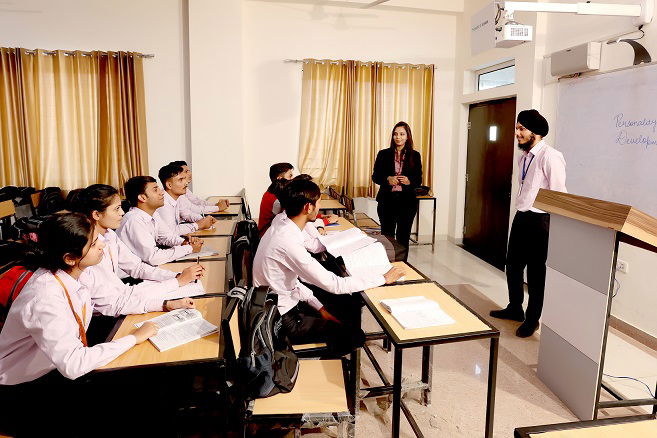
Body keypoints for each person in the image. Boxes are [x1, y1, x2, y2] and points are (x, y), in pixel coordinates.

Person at [0, 213, 195, 435]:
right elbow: (73, 365)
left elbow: (115, 301)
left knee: (144, 383)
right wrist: (133, 338)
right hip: (22, 391)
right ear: (70, 257)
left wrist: (163, 304)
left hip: (55, 367)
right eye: (94, 243)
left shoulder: (75, 274)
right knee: (135, 402)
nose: (102, 244)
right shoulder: (45, 297)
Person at [253, 178, 404, 356]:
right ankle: (326, 369)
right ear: (308, 207)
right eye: (318, 203)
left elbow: (292, 282)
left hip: (278, 302)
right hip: (282, 318)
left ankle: (335, 335)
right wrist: (383, 278)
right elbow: (335, 285)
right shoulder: (288, 241)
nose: (319, 207)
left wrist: (320, 308)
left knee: (349, 302)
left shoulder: (283, 223)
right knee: (355, 337)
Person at [69, 184, 205, 343]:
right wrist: (175, 284)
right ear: (96, 214)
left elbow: (137, 267)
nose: (122, 213)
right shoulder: (88, 253)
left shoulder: (110, 236)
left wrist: (176, 277)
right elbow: (116, 303)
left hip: (120, 301)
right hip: (103, 321)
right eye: (117, 209)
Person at [490, 109, 567, 338]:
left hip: (540, 220)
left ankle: (532, 319)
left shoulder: (550, 156)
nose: (517, 133)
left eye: (521, 129)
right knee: (512, 266)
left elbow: (559, 194)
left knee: (535, 273)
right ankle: (515, 308)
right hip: (522, 216)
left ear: (536, 132)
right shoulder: (524, 156)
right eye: (517, 128)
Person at [117, 176, 204, 265]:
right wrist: (189, 248)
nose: (162, 193)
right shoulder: (134, 220)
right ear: (142, 198)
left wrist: (185, 242)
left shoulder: (152, 213)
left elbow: (166, 236)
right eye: (155, 190)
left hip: (145, 268)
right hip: (129, 276)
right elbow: (153, 258)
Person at [372, 121, 423, 249]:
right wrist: (387, 179)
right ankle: (388, 266)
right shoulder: (383, 154)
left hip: (407, 203)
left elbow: (418, 179)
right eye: (395, 134)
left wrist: (409, 181)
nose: (398, 137)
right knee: (387, 237)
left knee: (403, 238)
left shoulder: (415, 155)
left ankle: (402, 266)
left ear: (407, 136)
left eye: (401, 134)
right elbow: (375, 176)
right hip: (387, 201)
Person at [157, 163, 216, 236]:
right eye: (181, 180)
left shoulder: (176, 197)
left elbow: (187, 214)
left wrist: (203, 220)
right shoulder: (163, 203)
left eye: (184, 179)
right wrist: (198, 225)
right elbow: (172, 231)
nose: (186, 183)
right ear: (169, 185)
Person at [258, 162, 295, 236]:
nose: (292, 179)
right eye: (290, 176)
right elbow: (293, 218)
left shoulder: (271, 192)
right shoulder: (276, 200)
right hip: (268, 237)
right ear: (280, 178)